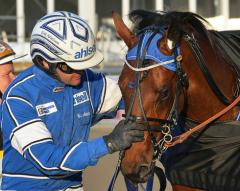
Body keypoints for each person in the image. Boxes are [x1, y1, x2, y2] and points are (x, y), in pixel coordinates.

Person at [0, 11, 145, 191]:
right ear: (44, 62)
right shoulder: (19, 97)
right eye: (70, 66)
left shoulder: (89, 82)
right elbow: (48, 161)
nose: (80, 72)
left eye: (85, 64)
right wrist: (109, 142)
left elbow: (141, 98)